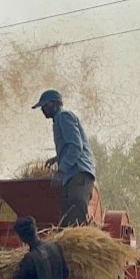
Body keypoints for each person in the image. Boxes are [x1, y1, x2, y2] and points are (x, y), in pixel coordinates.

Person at [32, 90, 96, 226]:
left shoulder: (64, 116)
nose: (42, 109)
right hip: (73, 175)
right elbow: (70, 145)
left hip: (79, 174)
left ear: (55, 104)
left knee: (75, 218)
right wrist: (56, 158)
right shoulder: (58, 120)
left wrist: (61, 170)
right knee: (66, 221)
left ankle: (81, 245)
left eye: (45, 105)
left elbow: (75, 146)